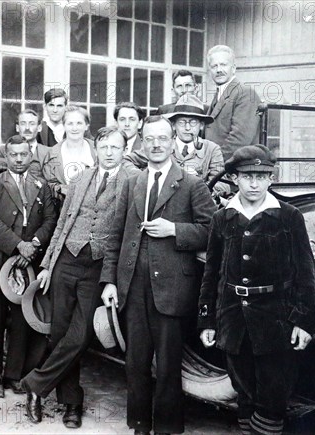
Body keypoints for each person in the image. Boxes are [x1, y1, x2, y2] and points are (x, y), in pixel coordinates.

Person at [100, 115, 217, 435]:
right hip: (132, 287)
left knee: (167, 366)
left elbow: (211, 232)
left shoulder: (192, 184)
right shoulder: (132, 181)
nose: (155, 145)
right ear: (142, 141)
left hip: (173, 290)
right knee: (135, 363)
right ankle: (139, 425)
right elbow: (115, 234)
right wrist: (109, 280)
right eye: (149, 139)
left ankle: (166, 428)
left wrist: (174, 230)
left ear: (173, 142)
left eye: (162, 139)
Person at [21, 127, 139, 427]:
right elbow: (63, 222)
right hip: (65, 261)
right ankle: (71, 403)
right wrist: (47, 264)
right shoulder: (80, 178)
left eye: (115, 147)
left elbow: (127, 233)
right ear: (96, 149)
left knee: (81, 335)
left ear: (124, 149)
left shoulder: (132, 181)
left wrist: (112, 278)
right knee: (60, 333)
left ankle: (35, 384)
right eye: (104, 146)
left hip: (99, 266)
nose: (109, 152)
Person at [198, 145, 315, 435]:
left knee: (272, 398)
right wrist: (207, 319)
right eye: (248, 176)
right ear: (235, 178)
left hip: (275, 320)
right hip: (233, 318)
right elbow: (212, 273)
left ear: (271, 180)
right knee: (244, 392)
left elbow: (305, 272)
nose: (254, 183)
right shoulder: (222, 218)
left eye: (262, 176)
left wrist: (302, 320)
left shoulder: (288, 217)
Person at [0, 135, 57, 399]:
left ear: (30, 155)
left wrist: (32, 244)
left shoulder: (40, 185)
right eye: (14, 155)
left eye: (23, 154)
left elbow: (50, 220)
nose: (19, 159)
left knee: (23, 320)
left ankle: (14, 374)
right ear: (6, 156)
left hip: (27, 262)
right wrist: (17, 245)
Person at [125, 95, 228, 196]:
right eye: (182, 122)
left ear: (201, 125)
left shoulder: (212, 149)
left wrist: (196, 185)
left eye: (193, 123)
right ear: (173, 125)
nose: (187, 128)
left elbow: (223, 184)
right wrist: (145, 177)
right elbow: (126, 161)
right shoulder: (161, 145)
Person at [205, 45, 262, 160]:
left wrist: (212, 162)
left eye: (223, 65)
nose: (219, 70)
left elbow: (240, 139)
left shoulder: (245, 93)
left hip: (234, 169)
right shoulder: (220, 93)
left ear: (234, 68)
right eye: (214, 66)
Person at [41, 105, 96, 207]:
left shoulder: (97, 149)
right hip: (63, 209)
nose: (74, 128)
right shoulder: (53, 154)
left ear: (86, 126)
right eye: (70, 123)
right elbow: (49, 186)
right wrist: (63, 190)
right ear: (64, 125)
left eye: (79, 123)